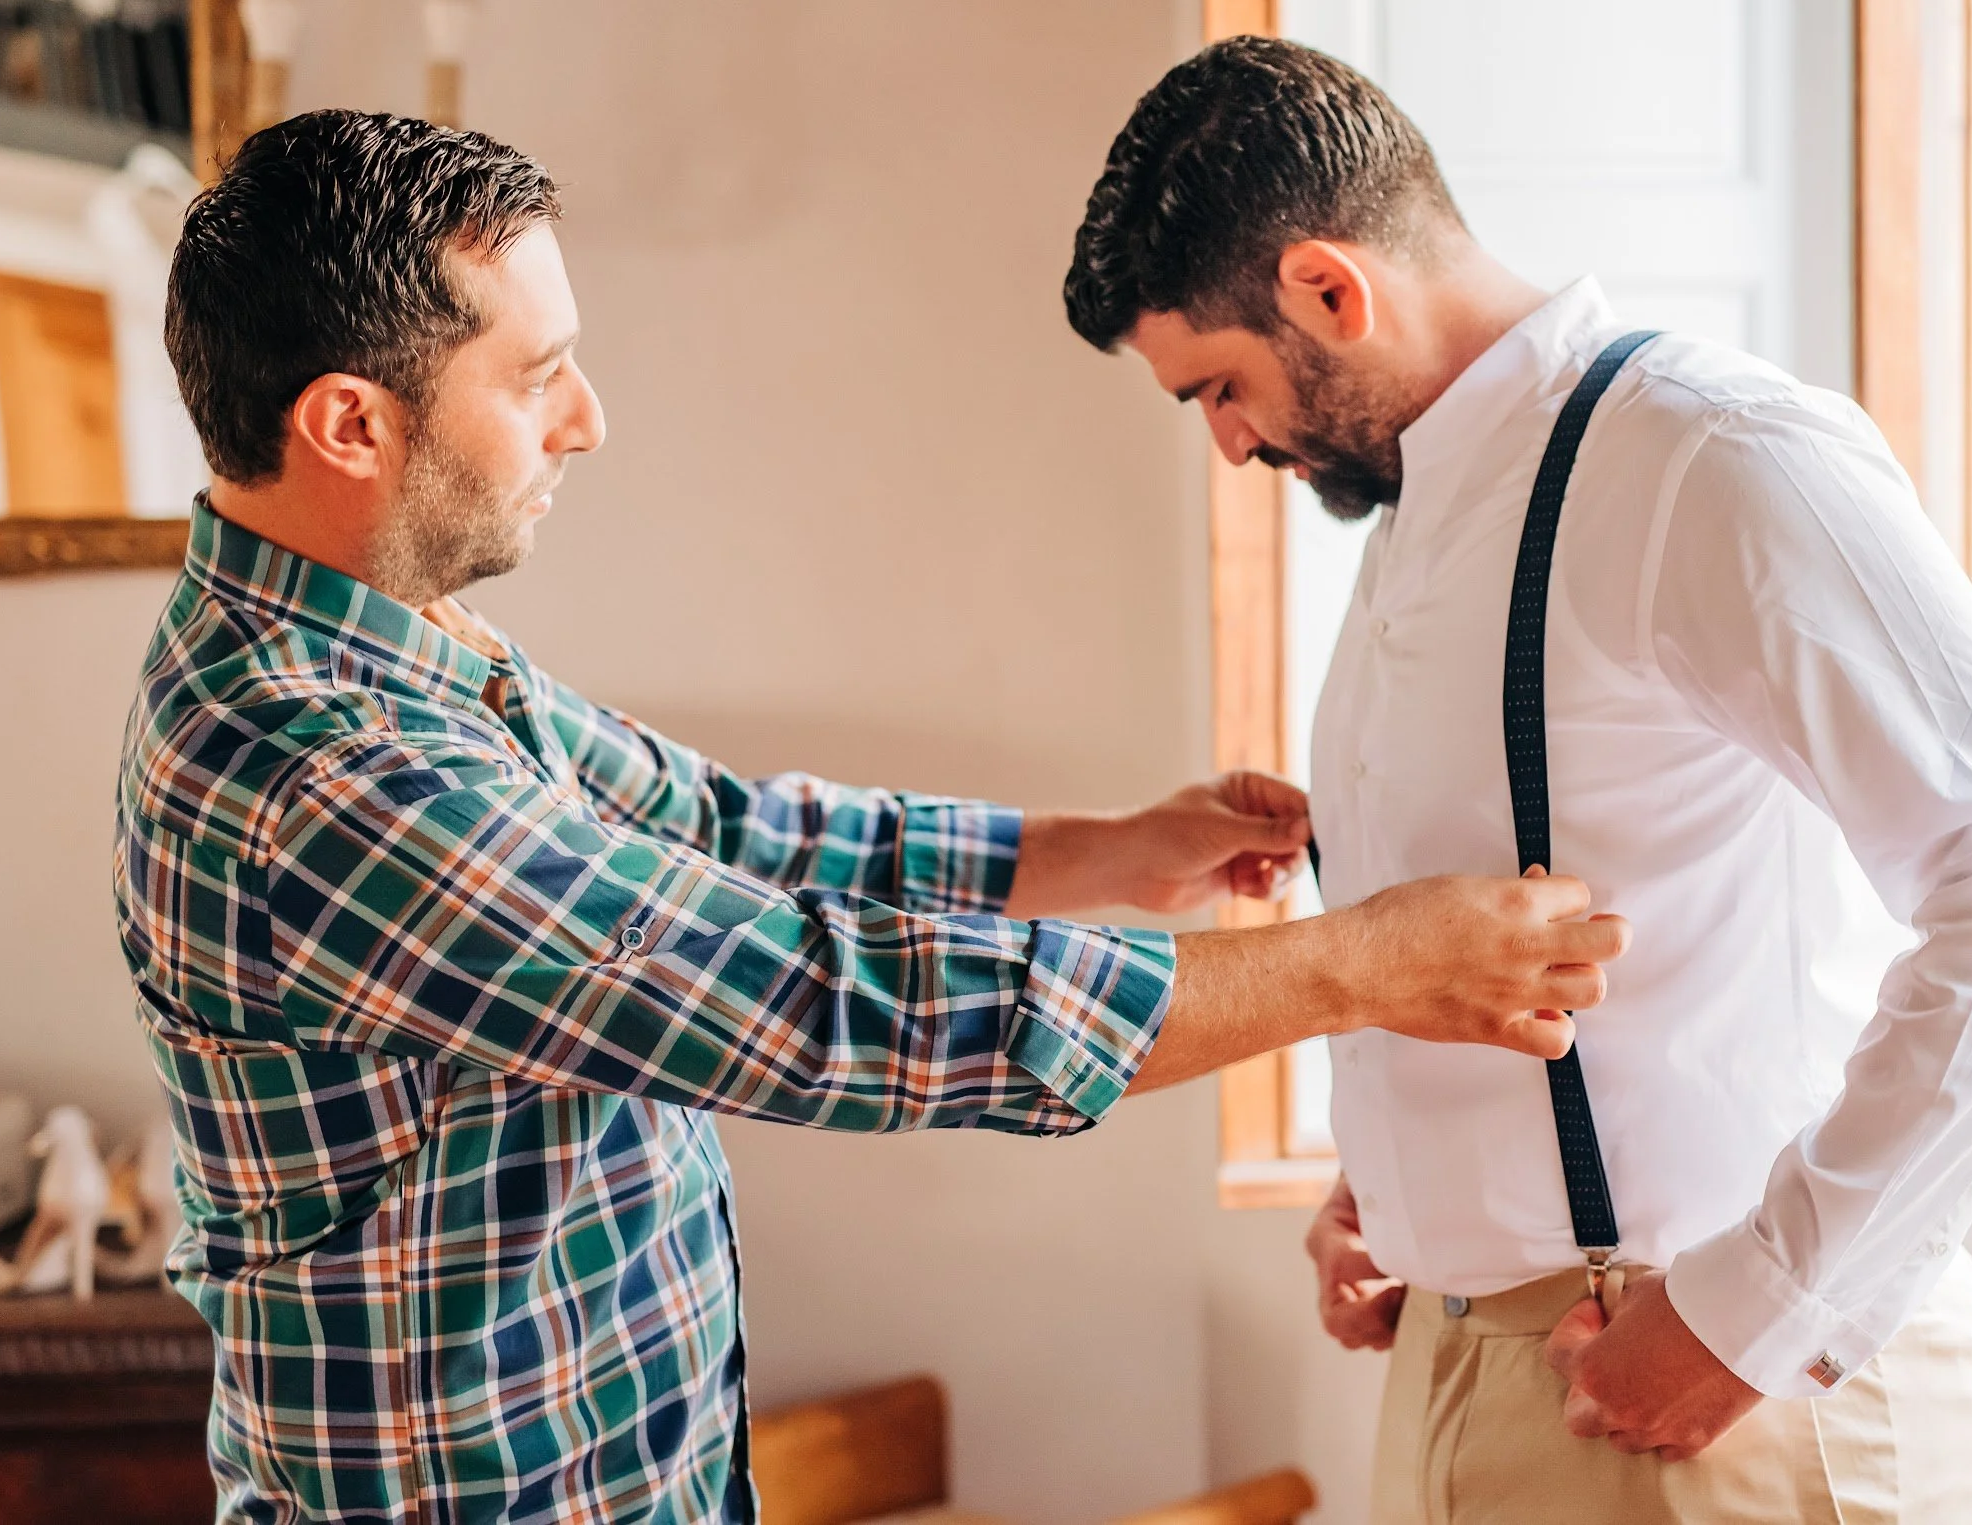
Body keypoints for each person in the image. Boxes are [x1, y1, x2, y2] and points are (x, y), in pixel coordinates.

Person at [116, 108, 1631, 1525]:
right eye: (534, 375)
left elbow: (720, 831)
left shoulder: (399, 648)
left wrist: (1100, 851)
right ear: (352, 424)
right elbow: (806, 999)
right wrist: (1356, 969)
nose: (587, 419)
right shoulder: (314, 768)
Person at [1064, 37, 1972, 1524]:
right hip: (1465, 1374)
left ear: (1327, 289)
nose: (1232, 440)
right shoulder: (1419, 511)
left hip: (1715, 1407)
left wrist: (1753, 1314)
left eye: (1222, 387)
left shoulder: (1713, 458)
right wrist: (1396, 1192)